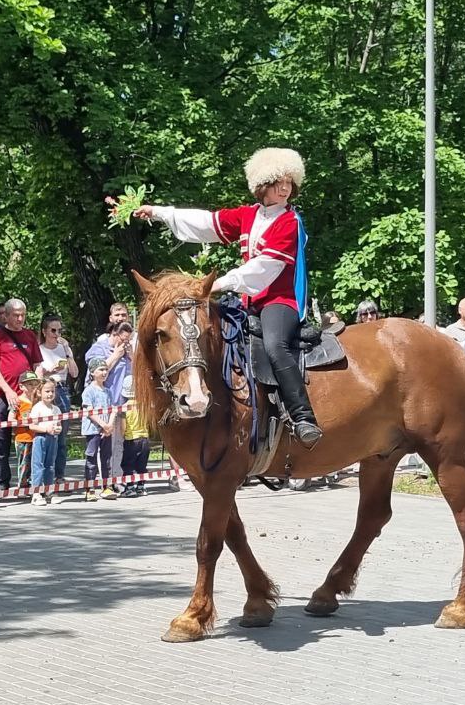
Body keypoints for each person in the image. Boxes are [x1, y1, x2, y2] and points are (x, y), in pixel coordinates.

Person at [135, 147, 321, 445]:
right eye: (278, 181)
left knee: (275, 346)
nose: (285, 187)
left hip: (279, 302)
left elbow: (265, 268)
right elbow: (207, 223)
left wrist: (219, 283)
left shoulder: (289, 222)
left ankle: (303, 417)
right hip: (248, 303)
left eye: (289, 182)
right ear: (262, 185)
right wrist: (159, 213)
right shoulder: (248, 216)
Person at [0, 299, 42, 490]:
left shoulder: (29, 336)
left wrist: (38, 389)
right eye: (15, 315)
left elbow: (37, 365)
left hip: (27, 397)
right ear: (6, 315)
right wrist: (8, 391)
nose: (19, 319)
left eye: (22, 315)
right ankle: (0, 484)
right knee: (0, 442)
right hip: (1, 396)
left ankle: (28, 481)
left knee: (29, 439)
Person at [84, 321, 134, 481]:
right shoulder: (100, 348)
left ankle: (115, 479)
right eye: (124, 339)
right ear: (114, 334)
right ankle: (100, 480)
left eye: (129, 340)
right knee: (101, 446)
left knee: (118, 445)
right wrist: (116, 355)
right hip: (101, 406)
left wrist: (131, 356)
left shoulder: (128, 350)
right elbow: (96, 370)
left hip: (121, 404)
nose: (125, 343)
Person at [36, 314, 78, 480]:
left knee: (61, 435)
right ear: (45, 331)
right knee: (46, 433)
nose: (57, 334)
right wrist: (48, 371)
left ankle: (59, 475)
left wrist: (68, 352)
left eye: (59, 330)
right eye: (53, 330)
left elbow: (74, 373)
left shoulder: (63, 349)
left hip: (62, 390)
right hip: (46, 389)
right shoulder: (40, 349)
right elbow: (37, 375)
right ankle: (44, 474)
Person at [81, 359, 118, 501]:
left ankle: (106, 487)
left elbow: (113, 408)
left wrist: (109, 425)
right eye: (100, 370)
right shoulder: (88, 391)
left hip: (106, 430)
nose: (104, 373)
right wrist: (103, 424)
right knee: (91, 458)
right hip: (93, 430)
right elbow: (89, 411)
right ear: (92, 372)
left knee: (106, 458)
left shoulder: (108, 391)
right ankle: (90, 488)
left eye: (105, 370)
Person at [27, 379, 64, 505]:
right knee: (38, 465)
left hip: (53, 439)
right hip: (40, 438)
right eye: (47, 391)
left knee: (50, 465)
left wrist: (58, 429)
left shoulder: (56, 409)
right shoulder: (37, 408)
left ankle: (49, 490)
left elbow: (59, 425)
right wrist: (45, 429)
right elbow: (32, 426)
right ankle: (36, 493)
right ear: (39, 392)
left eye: (52, 391)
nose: (50, 394)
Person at [120, 375, 150, 497]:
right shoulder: (144, 405)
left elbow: (123, 427)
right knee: (142, 465)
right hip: (145, 438)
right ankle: (141, 487)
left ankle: (129, 487)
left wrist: (123, 436)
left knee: (128, 464)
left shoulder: (124, 408)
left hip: (131, 439)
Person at [10, 371, 41, 489]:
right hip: (23, 438)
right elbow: (10, 419)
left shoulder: (38, 401)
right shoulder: (17, 401)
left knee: (36, 462)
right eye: (30, 384)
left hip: (37, 436)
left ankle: (35, 484)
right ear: (21, 386)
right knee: (24, 463)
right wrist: (23, 422)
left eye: (35, 384)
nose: (33, 387)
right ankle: (22, 485)